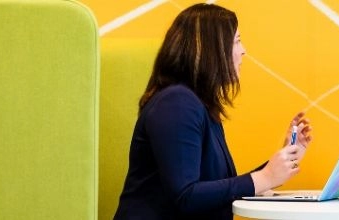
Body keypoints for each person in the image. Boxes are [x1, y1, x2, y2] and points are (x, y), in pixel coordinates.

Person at [113, 3, 313, 220]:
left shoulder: (197, 104)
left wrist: (280, 165)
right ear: (210, 49)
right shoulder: (177, 103)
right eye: (236, 41)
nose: (244, 50)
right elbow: (186, 196)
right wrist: (264, 177)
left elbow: (217, 191)